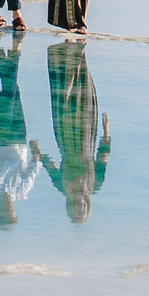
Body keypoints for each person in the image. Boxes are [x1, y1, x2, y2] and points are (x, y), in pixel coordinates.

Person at [0, 30, 45, 226]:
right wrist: (36, 150)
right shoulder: (22, 191)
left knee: (8, 91)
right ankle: (1, 49)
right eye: (12, 211)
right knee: (13, 91)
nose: (9, 207)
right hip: (20, 137)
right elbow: (34, 167)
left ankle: (8, 49)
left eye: (6, 211)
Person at [40, 40, 111, 223]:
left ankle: (66, 51)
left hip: (65, 136)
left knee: (64, 96)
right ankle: (78, 50)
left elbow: (49, 166)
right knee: (83, 90)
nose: (79, 206)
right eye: (82, 210)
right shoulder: (95, 184)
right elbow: (103, 156)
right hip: (86, 135)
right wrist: (106, 130)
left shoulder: (63, 187)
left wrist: (37, 151)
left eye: (77, 210)